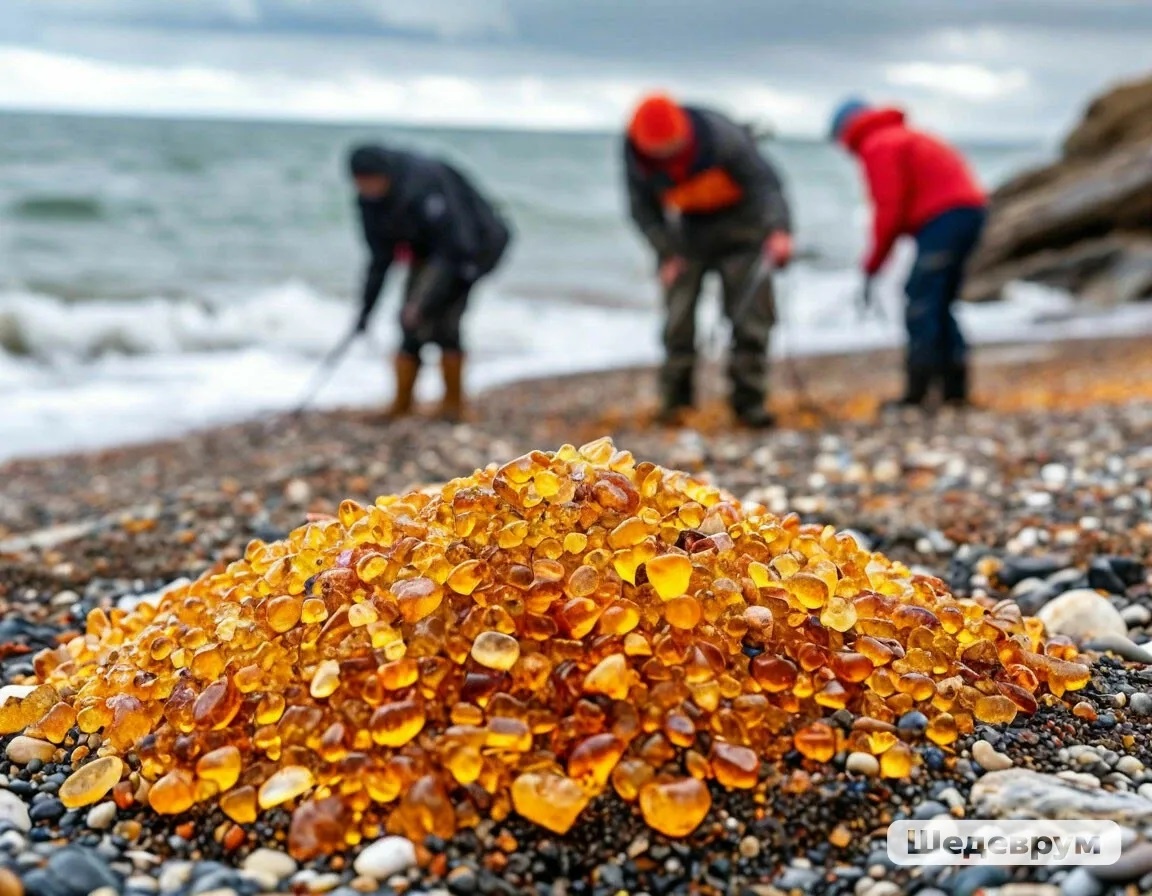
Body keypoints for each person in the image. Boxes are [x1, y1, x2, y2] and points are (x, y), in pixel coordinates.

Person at [625, 93, 794, 428]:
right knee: (678, 321)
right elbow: (642, 209)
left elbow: (767, 185)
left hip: (744, 230)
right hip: (688, 235)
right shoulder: (635, 152)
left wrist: (779, 230)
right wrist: (666, 253)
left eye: (672, 150)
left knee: (751, 320)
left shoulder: (722, 137)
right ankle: (675, 404)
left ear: (684, 136)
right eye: (657, 154)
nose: (666, 159)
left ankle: (749, 405)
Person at [830, 99, 987, 408]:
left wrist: (872, 264)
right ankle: (954, 392)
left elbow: (889, 209)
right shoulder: (902, 135)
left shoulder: (878, 144)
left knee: (922, 300)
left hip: (946, 217)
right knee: (939, 303)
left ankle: (918, 393)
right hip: (969, 212)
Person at [348, 144, 511, 422]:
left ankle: (454, 406)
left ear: (385, 175)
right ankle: (402, 404)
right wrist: (365, 313)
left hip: (472, 248)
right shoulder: (369, 203)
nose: (368, 188)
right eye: (361, 183)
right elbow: (379, 259)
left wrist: (422, 304)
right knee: (410, 323)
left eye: (372, 181)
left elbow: (453, 248)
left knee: (444, 323)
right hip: (428, 252)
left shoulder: (423, 182)